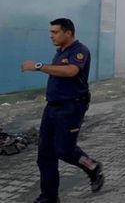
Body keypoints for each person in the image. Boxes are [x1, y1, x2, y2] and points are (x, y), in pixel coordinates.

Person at [20, 18, 104, 203]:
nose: (51, 36)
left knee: (65, 150)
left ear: (68, 33)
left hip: (71, 107)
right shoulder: (60, 52)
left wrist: (39, 66)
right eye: (51, 32)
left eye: (55, 32)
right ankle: (49, 197)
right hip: (52, 107)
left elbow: (71, 71)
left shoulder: (79, 50)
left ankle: (92, 166)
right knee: (44, 155)